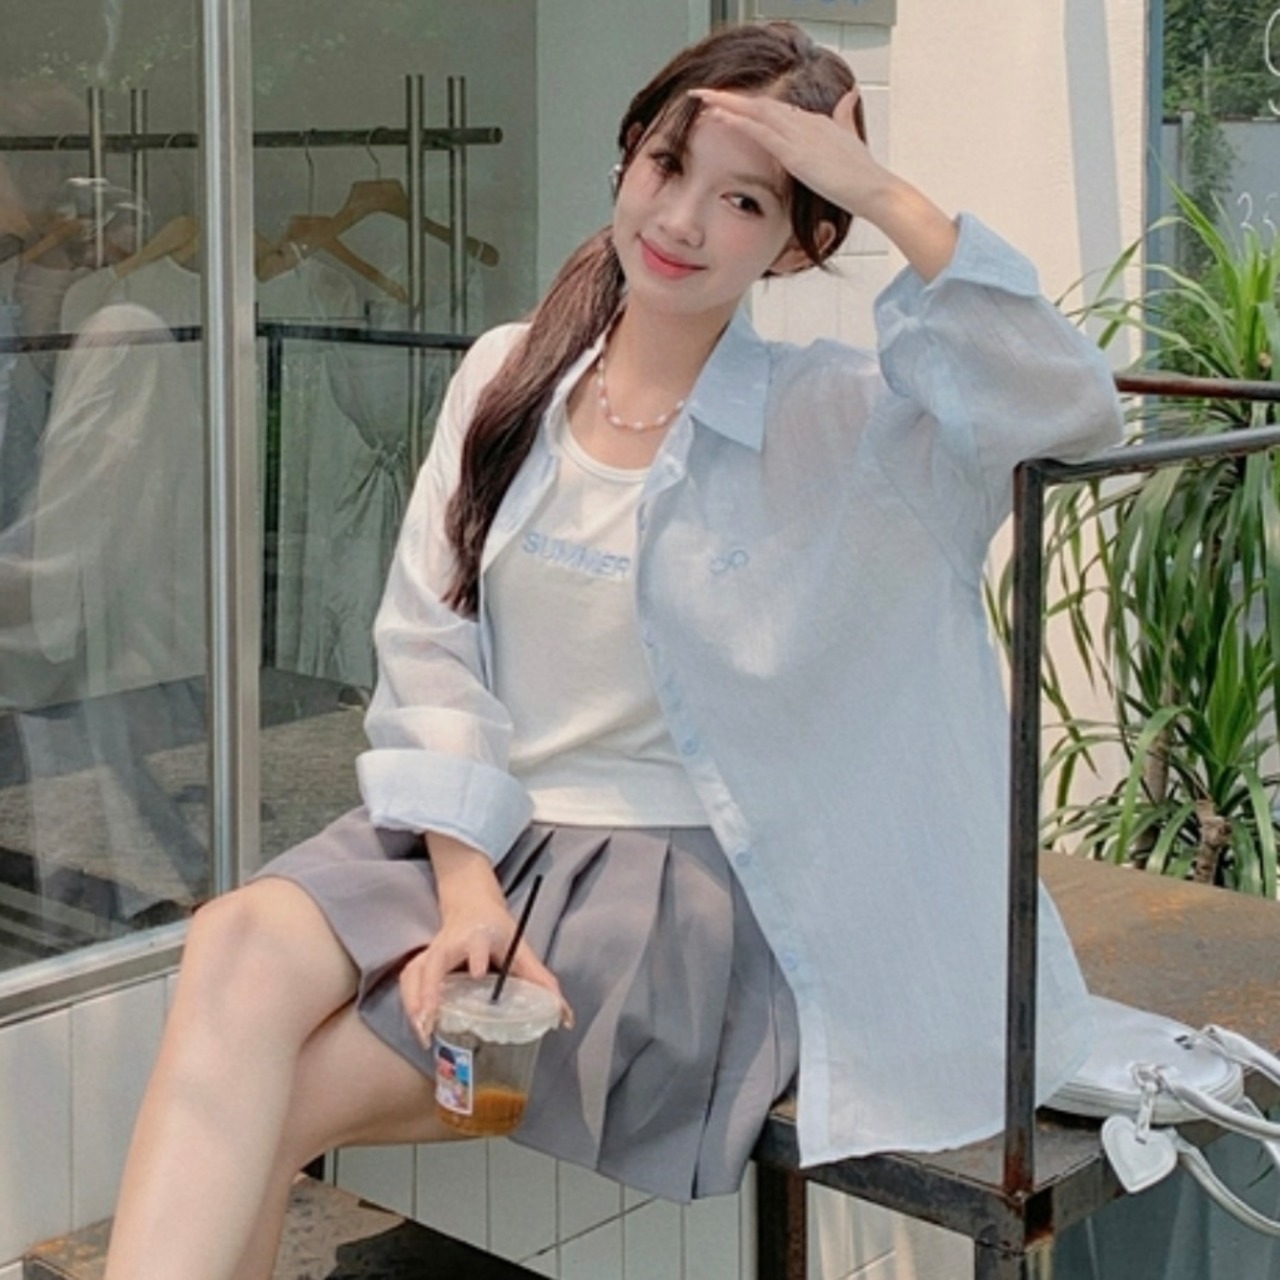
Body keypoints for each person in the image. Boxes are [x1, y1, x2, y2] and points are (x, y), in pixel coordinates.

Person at [102, 21, 1122, 1280]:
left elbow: (1064, 408)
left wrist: (875, 190)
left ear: (796, 241)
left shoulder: (837, 419)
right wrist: (467, 886)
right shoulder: (508, 374)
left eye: (743, 200)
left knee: (264, 1103)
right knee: (234, 946)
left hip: (660, 889)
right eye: (666, 166)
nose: (681, 221)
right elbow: (429, 640)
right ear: (627, 157)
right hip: (471, 832)